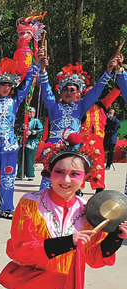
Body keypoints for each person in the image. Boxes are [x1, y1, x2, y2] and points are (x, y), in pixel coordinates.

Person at [0, 133, 127, 289]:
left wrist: (115, 238)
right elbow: (20, 249)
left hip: (65, 283)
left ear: (86, 177)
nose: (66, 180)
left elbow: (94, 259)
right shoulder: (30, 203)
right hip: (28, 276)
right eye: (59, 172)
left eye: (74, 174)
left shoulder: (90, 212)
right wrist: (68, 242)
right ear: (49, 172)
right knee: (62, 287)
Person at [0, 46, 41, 219]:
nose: (6, 88)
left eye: (9, 85)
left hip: (9, 143)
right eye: (3, 85)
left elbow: (27, 84)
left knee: (8, 176)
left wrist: (36, 64)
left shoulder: (15, 100)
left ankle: (6, 207)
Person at [37, 55, 119, 190]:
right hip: (54, 149)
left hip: (73, 148)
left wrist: (108, 72)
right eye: (65, 89)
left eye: (72, 90)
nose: (68, 93)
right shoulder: (53, 106)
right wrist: (43, 70)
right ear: (60, 91)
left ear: (77, 93)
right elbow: (46, 90)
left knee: (69, 182)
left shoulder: (80, 107)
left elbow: (96, 91)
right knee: (49, 182)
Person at [17, 107, 43, 181]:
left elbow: (41, 130)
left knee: (30, 159)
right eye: (27, 112)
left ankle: (30, 174)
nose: (28, 114)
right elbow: (17, 131)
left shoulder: (36, 121)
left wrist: (31, 132)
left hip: (32, 142)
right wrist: (21, 129)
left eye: (30, 112)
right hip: (22, 142)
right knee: (21, 159)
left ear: (34, 113)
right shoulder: (23, 122)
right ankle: (20, 174)